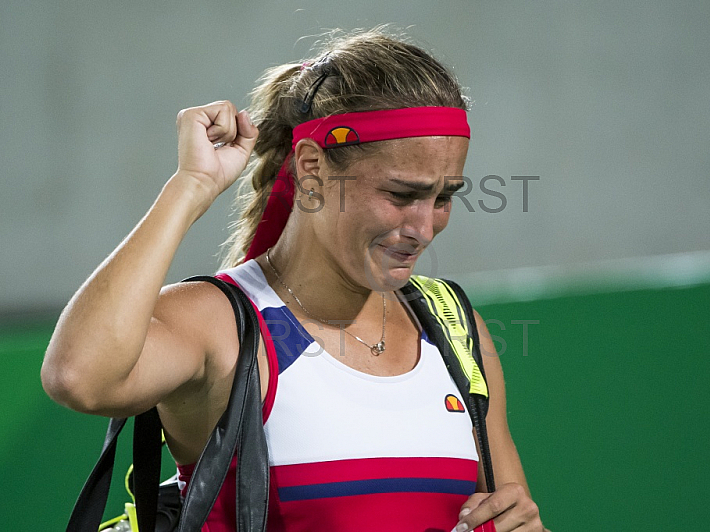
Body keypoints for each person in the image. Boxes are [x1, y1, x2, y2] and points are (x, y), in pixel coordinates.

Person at [42, 29, 546, 532]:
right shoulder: (219, 323)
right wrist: (191, 187)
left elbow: (505, 513)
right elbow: (79, 377)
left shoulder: (454, 329)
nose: (422, 227)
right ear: (311, 168)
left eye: (443, 198)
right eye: (399, 194)